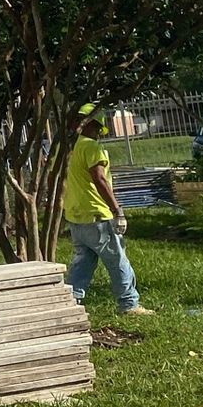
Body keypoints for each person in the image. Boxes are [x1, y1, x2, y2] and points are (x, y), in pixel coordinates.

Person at [61, 104, 152, 314]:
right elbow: (100, 179)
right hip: (96, 215)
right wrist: (117, 210)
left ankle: (70, 302)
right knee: (117, 260)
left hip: (76, 215)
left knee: (82, 263)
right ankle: (128, 304)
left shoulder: (69, 147)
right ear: (94, 124)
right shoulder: (91, 147)